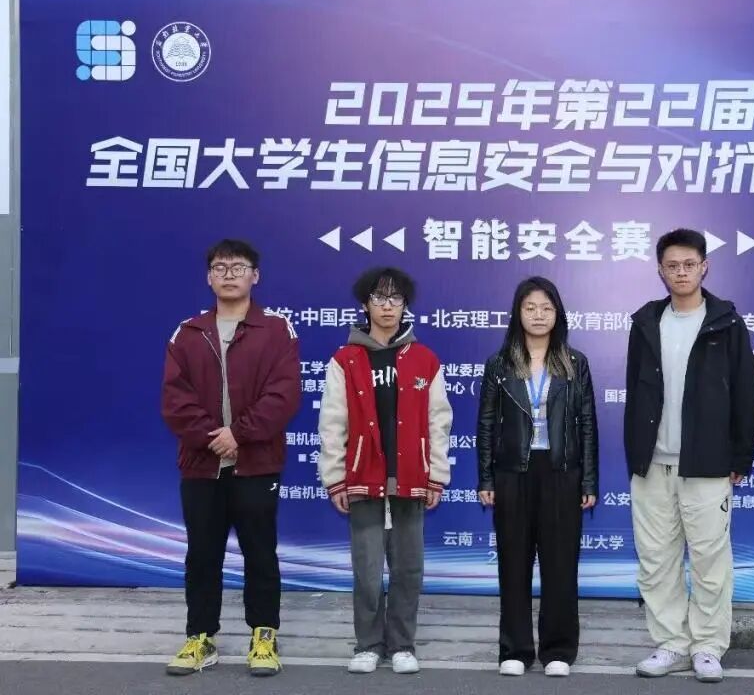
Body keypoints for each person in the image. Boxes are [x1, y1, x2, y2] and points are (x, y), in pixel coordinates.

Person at [624, 228, 754, 683]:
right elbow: (635, 392)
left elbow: (744, 393)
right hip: (653, 464)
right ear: (660, 271)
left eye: (689, 264)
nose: (681, 272)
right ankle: (671, 644)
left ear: (704, 267)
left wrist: (741, 456)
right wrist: (635, 454)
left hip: (707, 463)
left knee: (709, 562)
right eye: (672, 266)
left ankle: (707, 647)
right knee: (656, 560)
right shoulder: (646, 322)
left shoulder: (727, 323)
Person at [162, 239, 300, 677]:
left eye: (238, 267)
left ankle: (264, 635)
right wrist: (214, 438)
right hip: (201, 465)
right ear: (209, 277)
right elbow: (175, 400)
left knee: (261, 553)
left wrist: (238, 434)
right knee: (202, 555)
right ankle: (201, 637)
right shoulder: (188, 333)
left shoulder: (276, 330)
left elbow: (283, 395)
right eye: (220, 267)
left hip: (257, 463)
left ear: (255, 276)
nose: (228, 275)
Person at [318, 267, 452, 675]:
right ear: (365, 304)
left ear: (405, 305)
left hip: (411, 479)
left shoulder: (425, 359)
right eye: (379, 298)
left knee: (409, 568)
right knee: (367, 569)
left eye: (396, 298)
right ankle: (368, 644)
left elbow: (439, 421)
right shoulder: (345, 360)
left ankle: (402, 645)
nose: (388, 306)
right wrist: (335, 477)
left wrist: (436, 474)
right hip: (363, 478)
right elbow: (332, 422)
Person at [476, 276, 599, 678]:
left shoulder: (575, 363)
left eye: (547, 308)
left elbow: (587, 425)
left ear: (558, 314)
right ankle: (515, 649)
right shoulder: (499, 364)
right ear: (518, 313)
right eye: (530, 308)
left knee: (560, 564)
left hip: (562, 472)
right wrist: (486, 479)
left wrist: (589, 482)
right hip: (512, 473)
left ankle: (558, 649)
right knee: (513, 563)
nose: (539, 315)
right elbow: (486, 424)